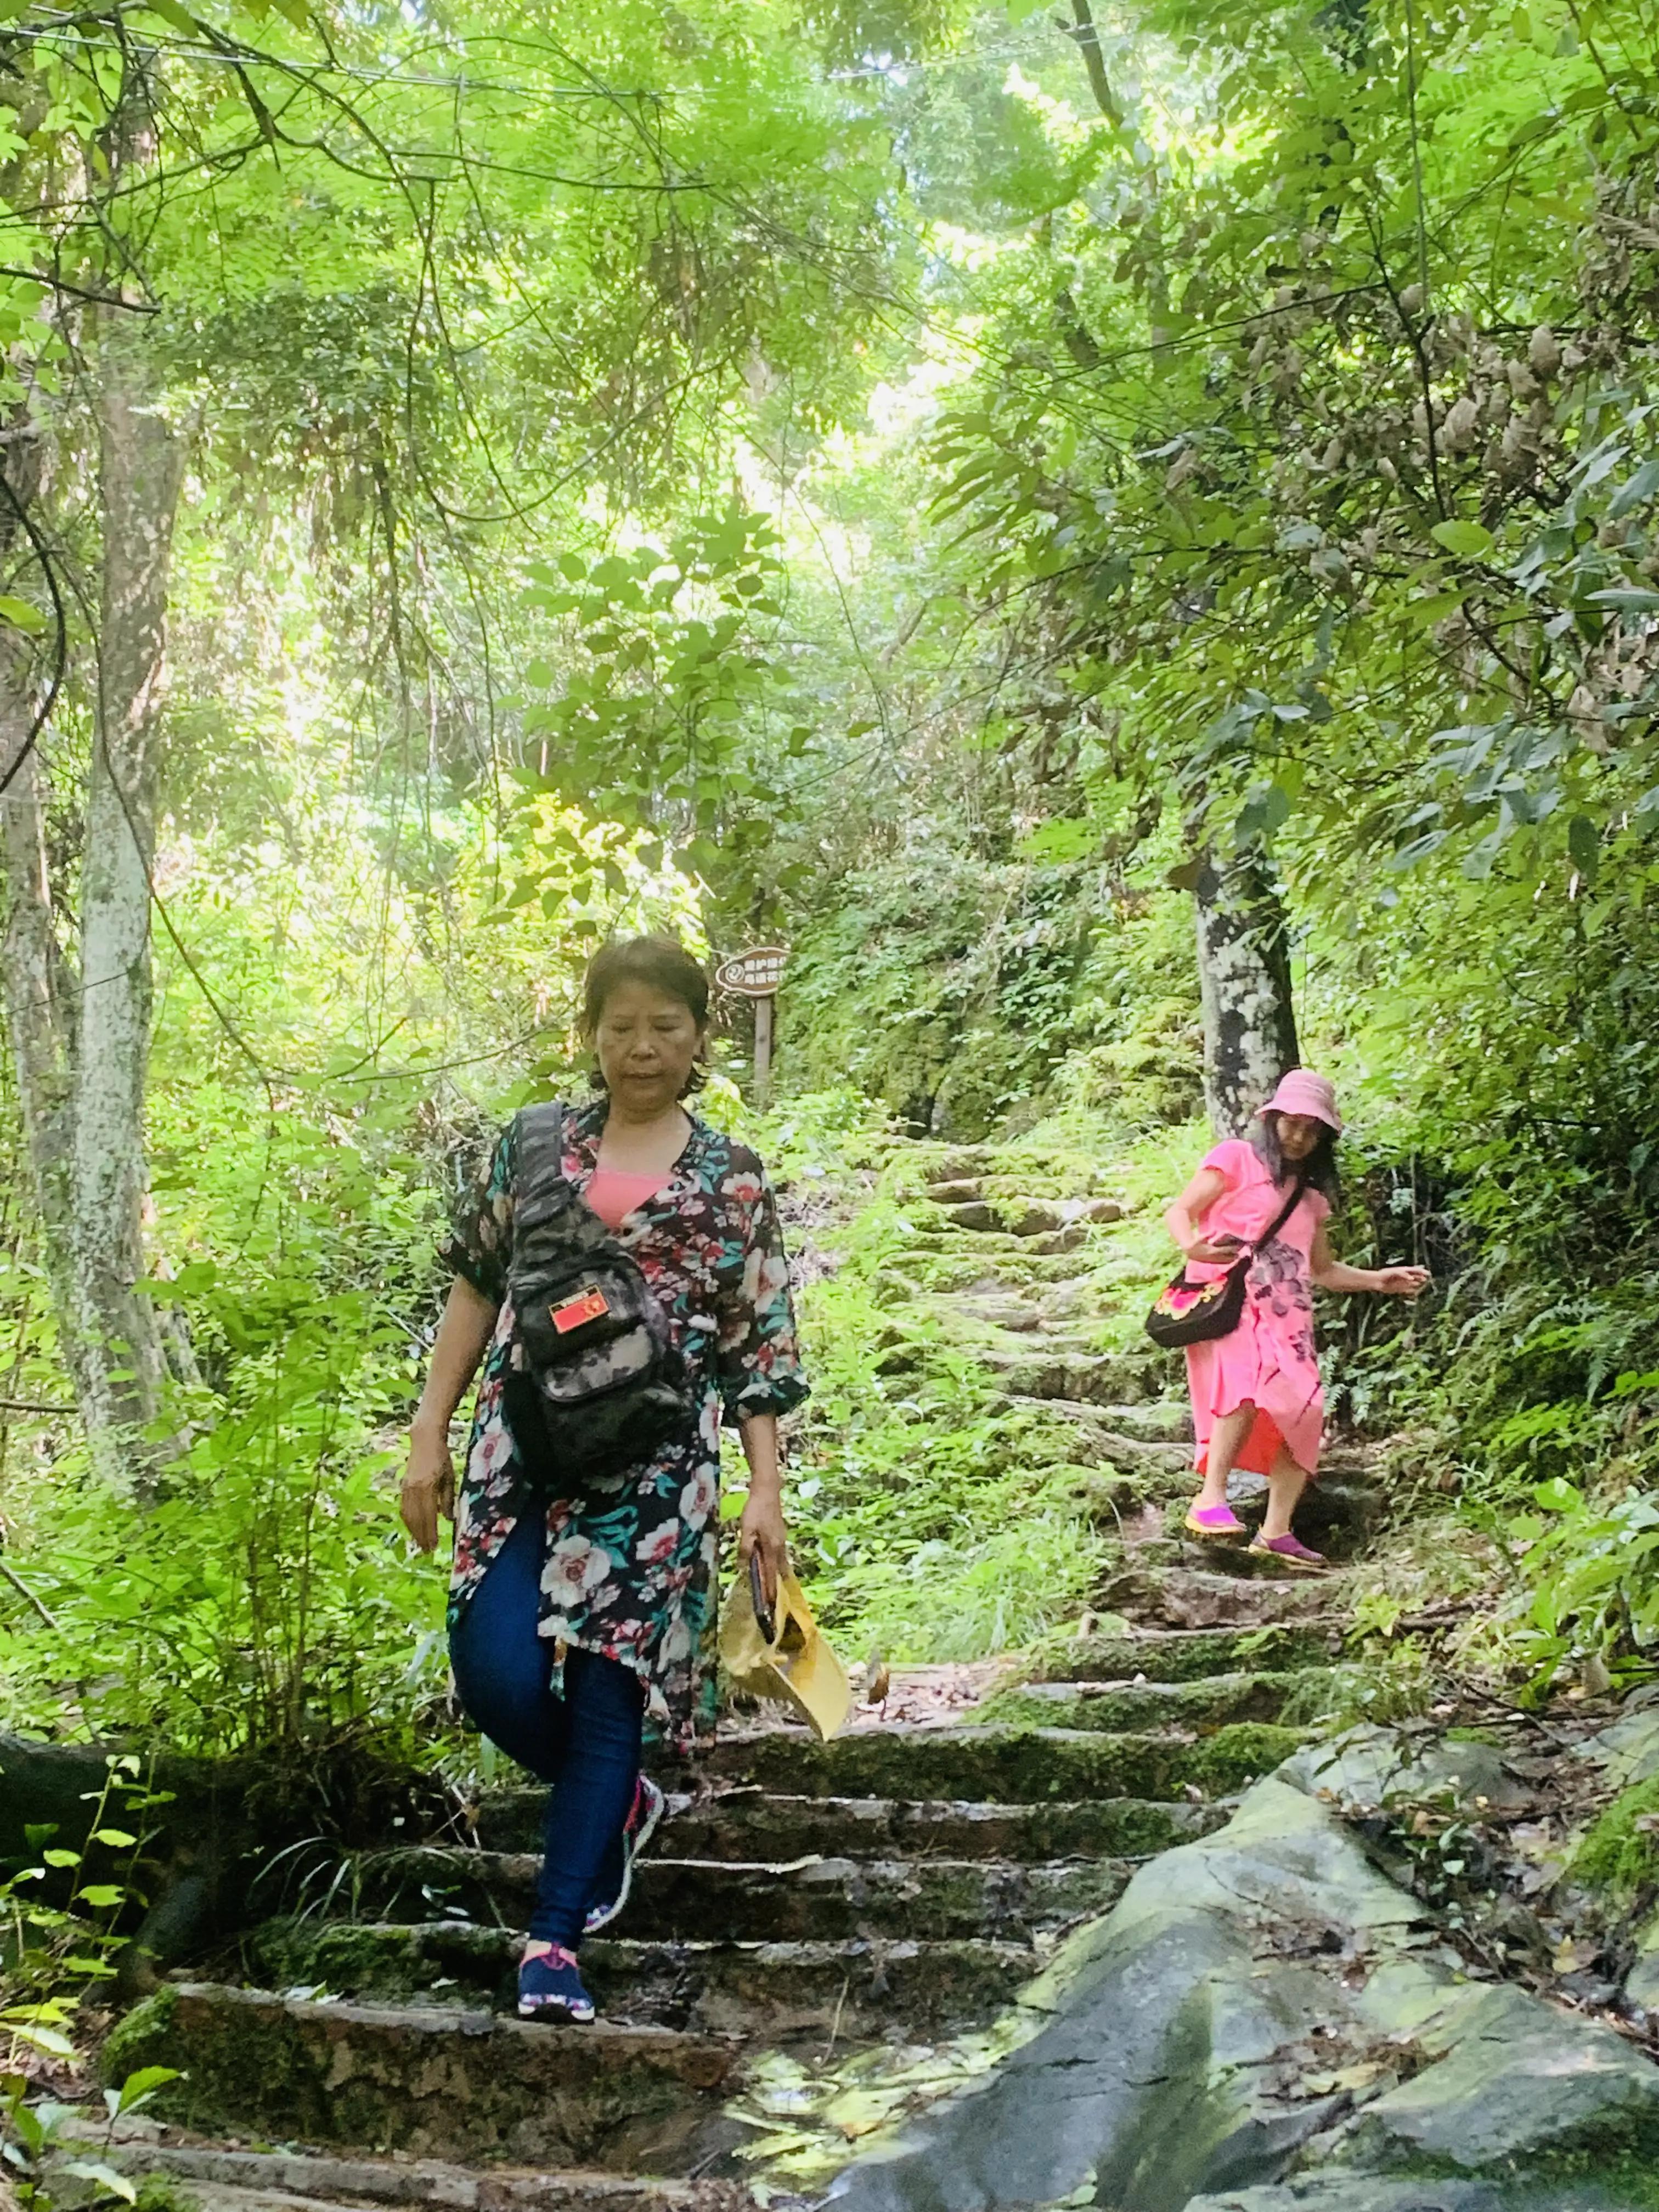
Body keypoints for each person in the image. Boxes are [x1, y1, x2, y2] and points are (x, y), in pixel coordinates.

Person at [400, 935, 808, 2023]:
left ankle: (554, 1940)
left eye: (665, 1026)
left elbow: (757, 1344)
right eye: (621, 1026)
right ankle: (620, 1796)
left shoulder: (730, 1178)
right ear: (589, 1035)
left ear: (699, 1038)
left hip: (654, 1468)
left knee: (606, 1684)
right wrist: (428, 1431)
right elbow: (474, 1288)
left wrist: (763, 1490)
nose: (643, 1047)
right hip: (521, 1451)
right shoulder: (535, 1145)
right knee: (493, 1670)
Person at [1161, 1069, 1428, 1572]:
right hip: (1230, 1306)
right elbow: (1181, 1211)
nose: (1300, 1137)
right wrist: (1191, 1245)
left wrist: (1379, 1280)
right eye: (1292, 1124)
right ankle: (1210, 1499)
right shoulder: (1235, 1159)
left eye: (1312, 1130)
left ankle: (1276, 1532)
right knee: (1245, 1387)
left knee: (1305, 1412)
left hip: (1288, 1322)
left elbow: (1322, 1270)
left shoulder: (1309, 1199)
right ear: (1273, 1119)